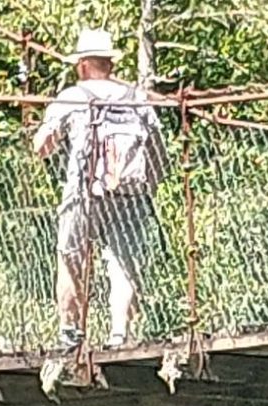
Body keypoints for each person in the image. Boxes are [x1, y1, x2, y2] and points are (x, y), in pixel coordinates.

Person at [32, 29, 165, 351]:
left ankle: (70, 331)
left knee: (69, 257)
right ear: (110, 63)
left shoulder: (72, 96)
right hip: (131, 195)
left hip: (83, 192)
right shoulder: (136, 97)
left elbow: (40, 147)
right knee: (124, 264)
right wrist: (151, 185)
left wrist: (47, 141)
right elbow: (158, 150)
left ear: (82, 65)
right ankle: (119, 334)